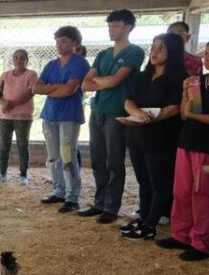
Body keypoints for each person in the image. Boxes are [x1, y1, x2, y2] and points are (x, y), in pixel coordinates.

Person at [155, 36, 209, 261]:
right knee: (182, 191)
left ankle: (201, 242)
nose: (207, 57)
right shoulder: (199, 80)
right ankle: (181, 234)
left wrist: (195, 115)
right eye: (206, 53)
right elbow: (185, 114)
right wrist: (186, 93)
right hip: (187, 142)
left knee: (203, 194)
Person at [118, 33, 186, 240]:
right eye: (153, 47)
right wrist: (138, 115)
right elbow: (128, 102)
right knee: (143, 181)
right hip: (138, 134)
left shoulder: (179, 77)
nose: (154, 52)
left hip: (161, 136)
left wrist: (148, 118)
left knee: (160, 183)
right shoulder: (142, 76)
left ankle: (150, 225)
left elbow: (174, 108)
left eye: (161, 48)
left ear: (172, 52)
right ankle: (144, 216)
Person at [81, 9, 145, 224]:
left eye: (115, 25)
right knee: (98, 159)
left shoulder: (134, 52)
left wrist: (100, 80)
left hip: (118, 110)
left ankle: (111, 206)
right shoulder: (103, 54)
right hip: (98, 109)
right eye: (109, 25)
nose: (111, 29)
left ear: (127, 27)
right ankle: (99, 203)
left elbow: (115, 81)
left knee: (114, 161)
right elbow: (85, 83)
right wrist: (103, 81)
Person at [33, 26, 90, 212]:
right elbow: (36, 88)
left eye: (64, 41)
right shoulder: (51, 64)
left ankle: (72, 197)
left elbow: (68, 90)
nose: (59, 45)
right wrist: (59, 87)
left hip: (69, 116)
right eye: (57, 41)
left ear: (75, 43)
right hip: (49, 115)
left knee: (67, 156)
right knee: (53, 157)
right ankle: (59, 190)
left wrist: (51, 88)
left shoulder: (80, 63)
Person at [0, 49, 37, 185]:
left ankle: (23, 175)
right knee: (4, 145)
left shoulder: (32, 74)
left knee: (22, 145)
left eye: (22, 58)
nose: (19, 60)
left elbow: (29, 93)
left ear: (27, 60)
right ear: (13, 60)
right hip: (5, 116)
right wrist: (3, 103)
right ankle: (2, 173)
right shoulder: (5, 75)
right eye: (16, 57)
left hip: (23, 116)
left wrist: (10, 104)